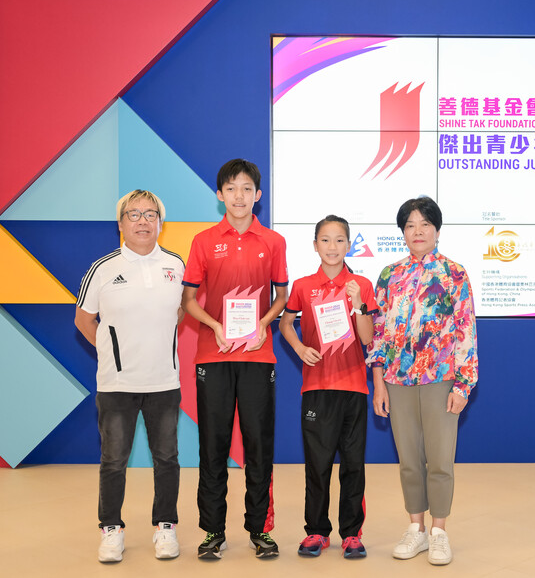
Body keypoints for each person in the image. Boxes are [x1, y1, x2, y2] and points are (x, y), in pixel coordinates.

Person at [181, 159, 288, 560]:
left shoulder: (273, 242)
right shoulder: (204, 241)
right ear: (219, 195)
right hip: (214, 353)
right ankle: (212, 530)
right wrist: (216, 326)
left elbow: (281, 296)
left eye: (246, 188)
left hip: (259, 356)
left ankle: (260, 529)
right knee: (213, 444)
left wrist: (263, 323)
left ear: (257, 195)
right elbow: (189, 300)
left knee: (259, 444)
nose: (239, 195)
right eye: (231, 188)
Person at [367, 195, 478, 566]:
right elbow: (379, 333)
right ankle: (415, 529)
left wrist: (463, 386)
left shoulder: (454, 274)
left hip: (441, 381)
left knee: (441, 461)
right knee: (409, 461)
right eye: (411, 225)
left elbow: (466, 332)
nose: (418, 231)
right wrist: (379, 383)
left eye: (425, 224)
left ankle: (439, 532)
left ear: (437, 230)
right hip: (397, 381)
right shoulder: (388, 275)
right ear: (403, 232)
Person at [75, 190, 185, 563]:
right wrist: (110, 353)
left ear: (160, 222)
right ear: (121, 222)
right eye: (133, 214)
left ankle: (165, 527)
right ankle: (111, 529)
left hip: (164, 382)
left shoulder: (176, 265)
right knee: (113, 460)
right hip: (116, 385)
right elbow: (84, 319)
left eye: (150, 214)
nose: (142, 220)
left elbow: (182, 313)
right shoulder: (102, 268)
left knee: (167, 458)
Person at [279, 215, 376, 559]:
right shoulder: (304, 286)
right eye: (325, 240)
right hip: (317, 387)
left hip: (354, 388)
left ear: (349, 245)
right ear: (315, 245)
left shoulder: (361, 284)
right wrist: (299, 348)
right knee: (317, 464)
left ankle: (351, 533)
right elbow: (286, 324)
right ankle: (317, 531)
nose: (332, 247)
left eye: (339, 240)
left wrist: (357, 305)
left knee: (353, 464)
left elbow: (368, 339)